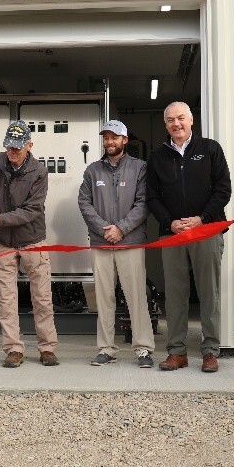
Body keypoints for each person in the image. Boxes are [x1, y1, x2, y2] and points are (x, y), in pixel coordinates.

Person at [146, 101, 231, 373]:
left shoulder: (210, 149)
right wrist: (169, 222)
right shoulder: (158, 157)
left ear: (191, 120)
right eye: (170, 120)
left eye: (180, 118)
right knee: (174, 294)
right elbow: (151, 197)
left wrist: (202, 218)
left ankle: (210, 351)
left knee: (209, 293)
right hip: (173, 235)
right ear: (166, 125)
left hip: (206, 230)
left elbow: (223, 190)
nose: (176, 124)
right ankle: (177, 351)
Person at [0, 120, 60, 368]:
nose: (12, 153)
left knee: (42, 297)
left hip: (32, 240)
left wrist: (0, 219)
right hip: (3, 242)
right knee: (6, 298)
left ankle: (47, 348)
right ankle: (13, 349)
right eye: (9, 147)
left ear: (29, 145)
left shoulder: (39, 171)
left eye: (17, 148)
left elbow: (32, 210)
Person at [78, 120, 155, 368]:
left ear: (125, 140)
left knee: (136, 296)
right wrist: (104, 229)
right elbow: (84, 203)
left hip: (130, 241)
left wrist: (121, 228)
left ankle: (143, 348)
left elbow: (144, 204)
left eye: (115, 137)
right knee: (103, 297)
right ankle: (107, 348)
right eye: (106, 137)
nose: (109, 142)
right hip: (101, 243)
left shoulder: (140, 168)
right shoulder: (92, 171)